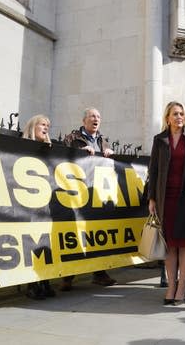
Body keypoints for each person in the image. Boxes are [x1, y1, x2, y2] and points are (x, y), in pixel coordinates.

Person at [147, 102, 185, 306]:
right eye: (175, 114)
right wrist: (152, 198)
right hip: (165, 199)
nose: (179, 117)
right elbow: (152, 170)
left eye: (181, 113)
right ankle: (171, 285)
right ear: (167, 118)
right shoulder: (160, 140)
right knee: (170, 245)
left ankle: (182, 286)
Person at [60, 107, 116, 291]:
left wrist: (109, 153)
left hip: (97, 193)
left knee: (96, 232)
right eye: (92, 116)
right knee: (75, 233)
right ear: (84, 120)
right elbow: (62, 158)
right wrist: (79, 151)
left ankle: (99, 273)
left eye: (98, 116)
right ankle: (67, 276)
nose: (96, 119)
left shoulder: (103, 140)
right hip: (77, 193)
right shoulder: (72, 138)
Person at [21, 114, 56, 300]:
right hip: (27, 206)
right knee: (31, 244)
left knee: (45, 244)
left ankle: (45, 281)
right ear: (33, 126)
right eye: (43, 124)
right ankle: (32, 284)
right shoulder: (20, 147)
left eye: (48, 125)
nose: (46, 128)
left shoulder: (49, 149)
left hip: (45, 206)